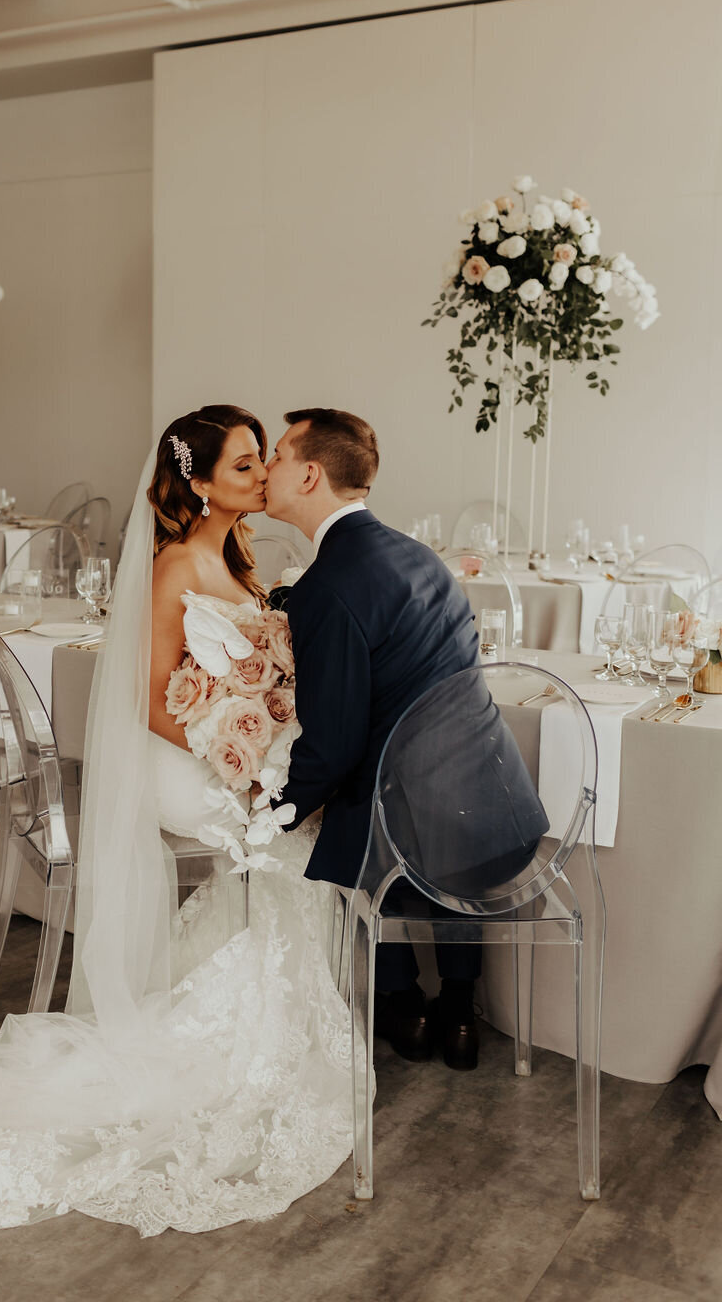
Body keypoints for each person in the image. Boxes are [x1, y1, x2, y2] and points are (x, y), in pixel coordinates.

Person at [0, 405, 355, 1241]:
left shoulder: (241, 555)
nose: (262, 474)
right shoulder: (173, 569)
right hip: (183, 758)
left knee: (288, 832)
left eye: (264, 460)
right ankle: (242, 1034)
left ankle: (254, 1016)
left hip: (223, 748)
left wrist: (264, 734)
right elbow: (154, 703)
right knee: (283, 840)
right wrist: (239, 767)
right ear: (197, 483)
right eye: (243, 465)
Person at [265, 407, 493, 1070]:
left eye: (278, 455)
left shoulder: (330, 585)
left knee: (345, 799)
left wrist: (274, 808)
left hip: (396, 809)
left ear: (309, 475)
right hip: (479, 787)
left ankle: (400, 1001)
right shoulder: (415, 554)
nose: (270, 468)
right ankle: (457, 1011)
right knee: (389, 782)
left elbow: (331, 747)